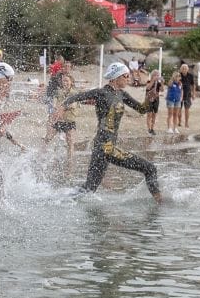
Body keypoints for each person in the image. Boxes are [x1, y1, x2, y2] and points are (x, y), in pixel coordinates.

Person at [64, 62, 161, 203]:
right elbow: (76, 97)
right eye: (125, 76)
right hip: (105, 148)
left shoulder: (122, 94)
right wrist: (62, 107)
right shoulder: (101, 93)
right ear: (116, 77)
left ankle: (59, 200)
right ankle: (160, 203)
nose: (128, 79)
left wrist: (149, 99)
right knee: (150, 169)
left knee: (89, 189)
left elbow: (141, 109)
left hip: (101, 148)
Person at [43, 73, 78, 170]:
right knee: (48, 138)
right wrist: (55, 108)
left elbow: (74, 105)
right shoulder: (58, 92)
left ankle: (70, 162)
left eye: (67, 81)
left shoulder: (74, 93)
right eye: (63, 81)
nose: (65, 83)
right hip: (59, 120)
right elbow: (54, 102)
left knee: (70, 142)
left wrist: (62, 108)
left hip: (70, 120)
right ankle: (41, 155)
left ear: (71, 82)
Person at [144, 70, 164, 135]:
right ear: (152, 76)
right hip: (149, 99)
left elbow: (162, 90)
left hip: (156, 99)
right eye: (155, 75)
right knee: (149, 114)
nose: (157, 76)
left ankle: (152, 128)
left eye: (158, 75)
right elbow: (148, 87)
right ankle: (148, 129)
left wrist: (162, 83)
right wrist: (153, 81)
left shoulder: (158, 83)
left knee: (154, 114)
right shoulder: (149, 81)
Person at [178, 63, 196, 129]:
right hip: (179, 95)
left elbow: (193, 85)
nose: (184, 69)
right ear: (181, 69)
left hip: (188, 94)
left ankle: (186, 123)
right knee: (179, 109)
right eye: (183, 68)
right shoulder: (178, 75)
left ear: (187, 69)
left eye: (185, 68)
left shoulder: (190, 76)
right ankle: (179, 121)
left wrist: (194, 94)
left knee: (187, 109)